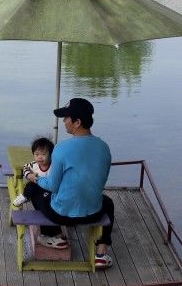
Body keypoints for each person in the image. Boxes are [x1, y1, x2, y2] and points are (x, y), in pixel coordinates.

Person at [25, 98, 115, 269]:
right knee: (108, 203)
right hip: (93, 212)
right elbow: (101, 181)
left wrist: (34, 177)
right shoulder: (104, 147)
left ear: (77, 122)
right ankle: (102, 253)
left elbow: (51, 186)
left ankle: (55, 235)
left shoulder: (61, 148)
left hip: (62, 215)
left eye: (66, 118)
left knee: (35, 189)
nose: (64, 121)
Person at [12, 136, 54, 209]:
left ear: (51, 155)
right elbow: (25, 167)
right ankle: (25, 196)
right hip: (37, 187)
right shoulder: (34, 165)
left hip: (49, 189)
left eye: (43, 154)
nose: (40, 157)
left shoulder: (54, 166)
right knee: (30, 186)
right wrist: (29, 175)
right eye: (37, 154)